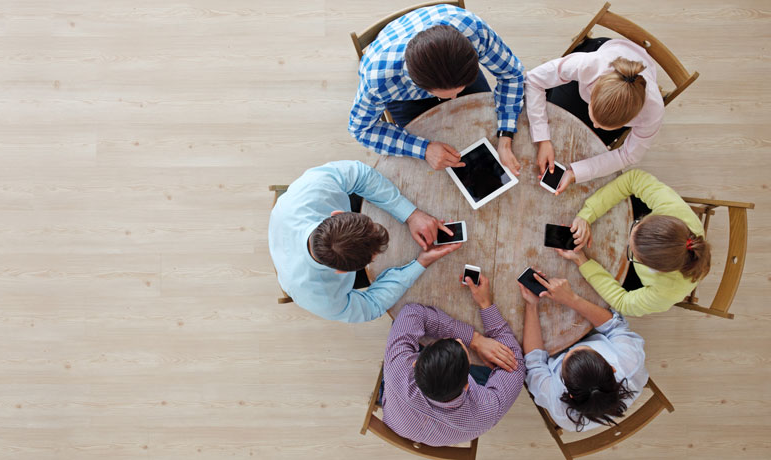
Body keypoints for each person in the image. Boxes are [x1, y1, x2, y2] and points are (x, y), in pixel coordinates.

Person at [268, 160, 460, 323]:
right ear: (343, 272)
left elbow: (361, 174)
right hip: (301, 271)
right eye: (374, 257)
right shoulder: (319, 297)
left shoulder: (315, 187)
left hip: (289, 217)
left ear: (339, 213)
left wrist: (410, 213)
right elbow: (371, 306)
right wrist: (421, 263)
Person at [349, 4, 525, 173]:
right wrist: (424, 149)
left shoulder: (473, 29)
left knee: (487, 128)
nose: (455, 98)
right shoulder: (378, 80)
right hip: (403, 94)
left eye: (459, 90)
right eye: (447, 95)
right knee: (433, 163)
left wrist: (505, 134)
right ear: (418, 84)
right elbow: (361, 129)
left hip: (453, 66)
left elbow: (513, 74)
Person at [381, 274, 525, 446]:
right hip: (431, 425)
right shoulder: (486, 411)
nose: (458, 340)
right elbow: (516, 362)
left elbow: (412, 312)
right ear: (467, 385)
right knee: (493, 365)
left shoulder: (397, 369)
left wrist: (473, 339)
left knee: (400, 328)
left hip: (400, 420)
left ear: (415, 364)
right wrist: (484, 311)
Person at [556, 169, 711, 317]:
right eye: (637, 224)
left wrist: (582, 261)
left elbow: (623, 303)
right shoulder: (674, 211)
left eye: (632, 251)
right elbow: (634, 178)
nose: (625, 240)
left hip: (639, 278)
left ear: (652, 267)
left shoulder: (666, 292)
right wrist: (586, 215)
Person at [524, 37, 664, 193]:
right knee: (553, 110)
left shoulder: (653, 112)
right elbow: (533, 79)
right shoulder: (589, 65)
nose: (595, 125)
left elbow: (628, 156)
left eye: (603, 126)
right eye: (595, 119)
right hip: (605, 52)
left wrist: (575, 173)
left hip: (634, 78)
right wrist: (542, 138)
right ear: (592, 93)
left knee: (586, 149)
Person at [519, 270, 648, 432]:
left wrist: (531, 304)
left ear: (569, 393)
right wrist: (571, 299)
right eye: (586, 351)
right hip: (592, 330)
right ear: (612, 369)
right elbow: (614, 326)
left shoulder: (559, 408)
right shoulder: (630, 364)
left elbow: (534, 364)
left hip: (550, 351)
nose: (572, 349)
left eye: (568, 358)